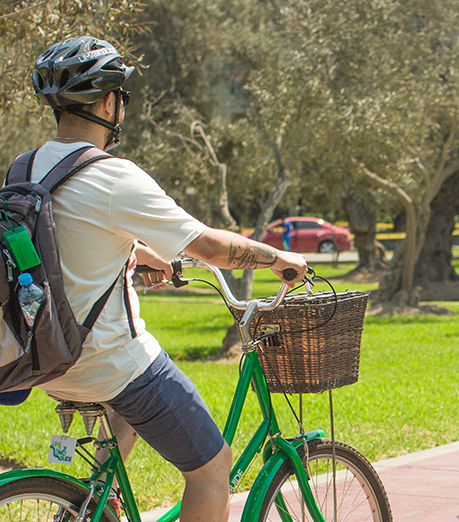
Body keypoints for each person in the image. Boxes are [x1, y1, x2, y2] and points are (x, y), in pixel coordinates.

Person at [27, 36, 308, 522]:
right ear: (111, 101)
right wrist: (277, 257)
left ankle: (92, 506)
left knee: (128, 421)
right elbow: (213, 248)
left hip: (43, 359)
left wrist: (135, 251)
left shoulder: (28, 166)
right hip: (108, 363)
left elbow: (54, 242)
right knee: (213, 467)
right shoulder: (112, 177)